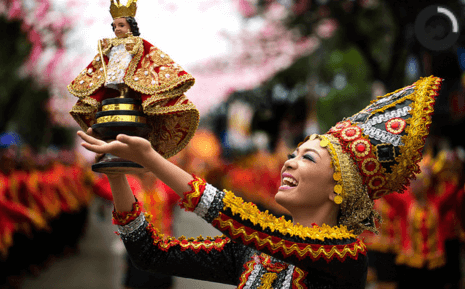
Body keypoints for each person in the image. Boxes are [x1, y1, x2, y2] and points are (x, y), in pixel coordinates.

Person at [78, 76, 443, 288]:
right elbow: (150, 254)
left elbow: (245, 224)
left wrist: (152, 160)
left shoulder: (344, 255)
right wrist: (120, 174)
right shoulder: (253, 250)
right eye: (293, 153)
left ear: (338, 187)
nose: (289, 161)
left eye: (307, 157)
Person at [68, 0, 199, 159]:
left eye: (121, 25)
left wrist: (132, 48)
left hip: (130, 73)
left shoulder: (136, 42)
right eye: (115, 26)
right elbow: (105, 57)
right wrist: (104, 49)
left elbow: (141, 53)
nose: (117, 29)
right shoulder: (113, 44)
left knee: (125, 87)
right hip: (115, 71)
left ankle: (126, 96)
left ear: (131, 26)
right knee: (114, 86)